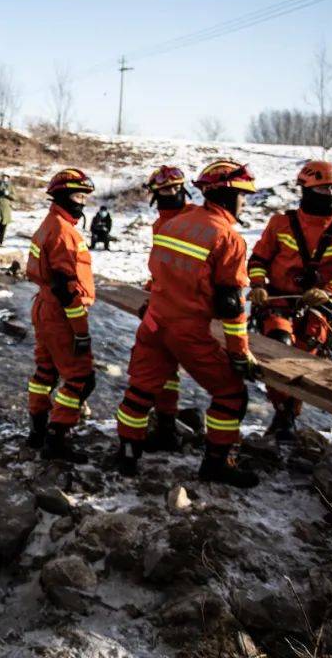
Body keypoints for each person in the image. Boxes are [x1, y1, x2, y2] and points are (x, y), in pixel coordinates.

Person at [113, 160, 260, 488]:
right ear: (228, 195)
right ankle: (217, 464)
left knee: (140, 390)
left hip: (153, 322)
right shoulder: (228, 238)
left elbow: (159, 275)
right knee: (231, 394)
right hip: (186, 330)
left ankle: (126, 455)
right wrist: (239, 353)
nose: (245, 202)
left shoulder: (171, 224)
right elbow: (230, 305)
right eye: (243, 195)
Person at [247, 160, 332, 441]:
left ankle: (286, 415)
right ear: (305, 189)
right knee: (278, 347)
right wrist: (258, 285)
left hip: (316, 306)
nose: (327, 195)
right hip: (277, 300)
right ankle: (283, 413)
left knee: (304, 360)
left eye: (331, 189)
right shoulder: (281, 223)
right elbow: (259, 259)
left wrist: (329, 291)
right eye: (321, 189)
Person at [25, 168, 97, 463]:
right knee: (81, 378)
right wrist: (81, 331)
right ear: (63, 196)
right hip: (61, 314)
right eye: (78, 196)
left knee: (45, 372)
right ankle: (57, 437)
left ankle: (37, 430)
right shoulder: (65, 233)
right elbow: (69, 290)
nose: (82, 202)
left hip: (43, 308)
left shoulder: (48, 224)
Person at [140, 165, 194, 452]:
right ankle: (166, 424)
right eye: (163, 191)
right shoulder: (159, 225)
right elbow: (166, 265)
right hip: (166, 305)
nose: (170, 194)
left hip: (190, 307)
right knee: (164, 366)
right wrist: (154, 289)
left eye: (174, 189)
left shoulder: (194, 219)